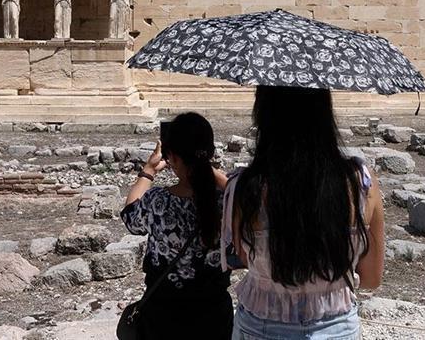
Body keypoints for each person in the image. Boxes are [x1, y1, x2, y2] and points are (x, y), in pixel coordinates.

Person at [221, 86, 386, 340]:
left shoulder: (244, 188)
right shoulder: (361, 183)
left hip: (260, 328)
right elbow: (372, 278)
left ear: (263, 114)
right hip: (336, 329)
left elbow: (242, 257)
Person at [120, 112, 233, 340]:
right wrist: (204, 166)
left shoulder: (158, 201)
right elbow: (243, 194)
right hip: (214, 317)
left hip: (164, 316)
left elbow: (130, 215)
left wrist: (149, 171)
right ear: (211, 152)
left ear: (172, 157)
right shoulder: (230, 201)